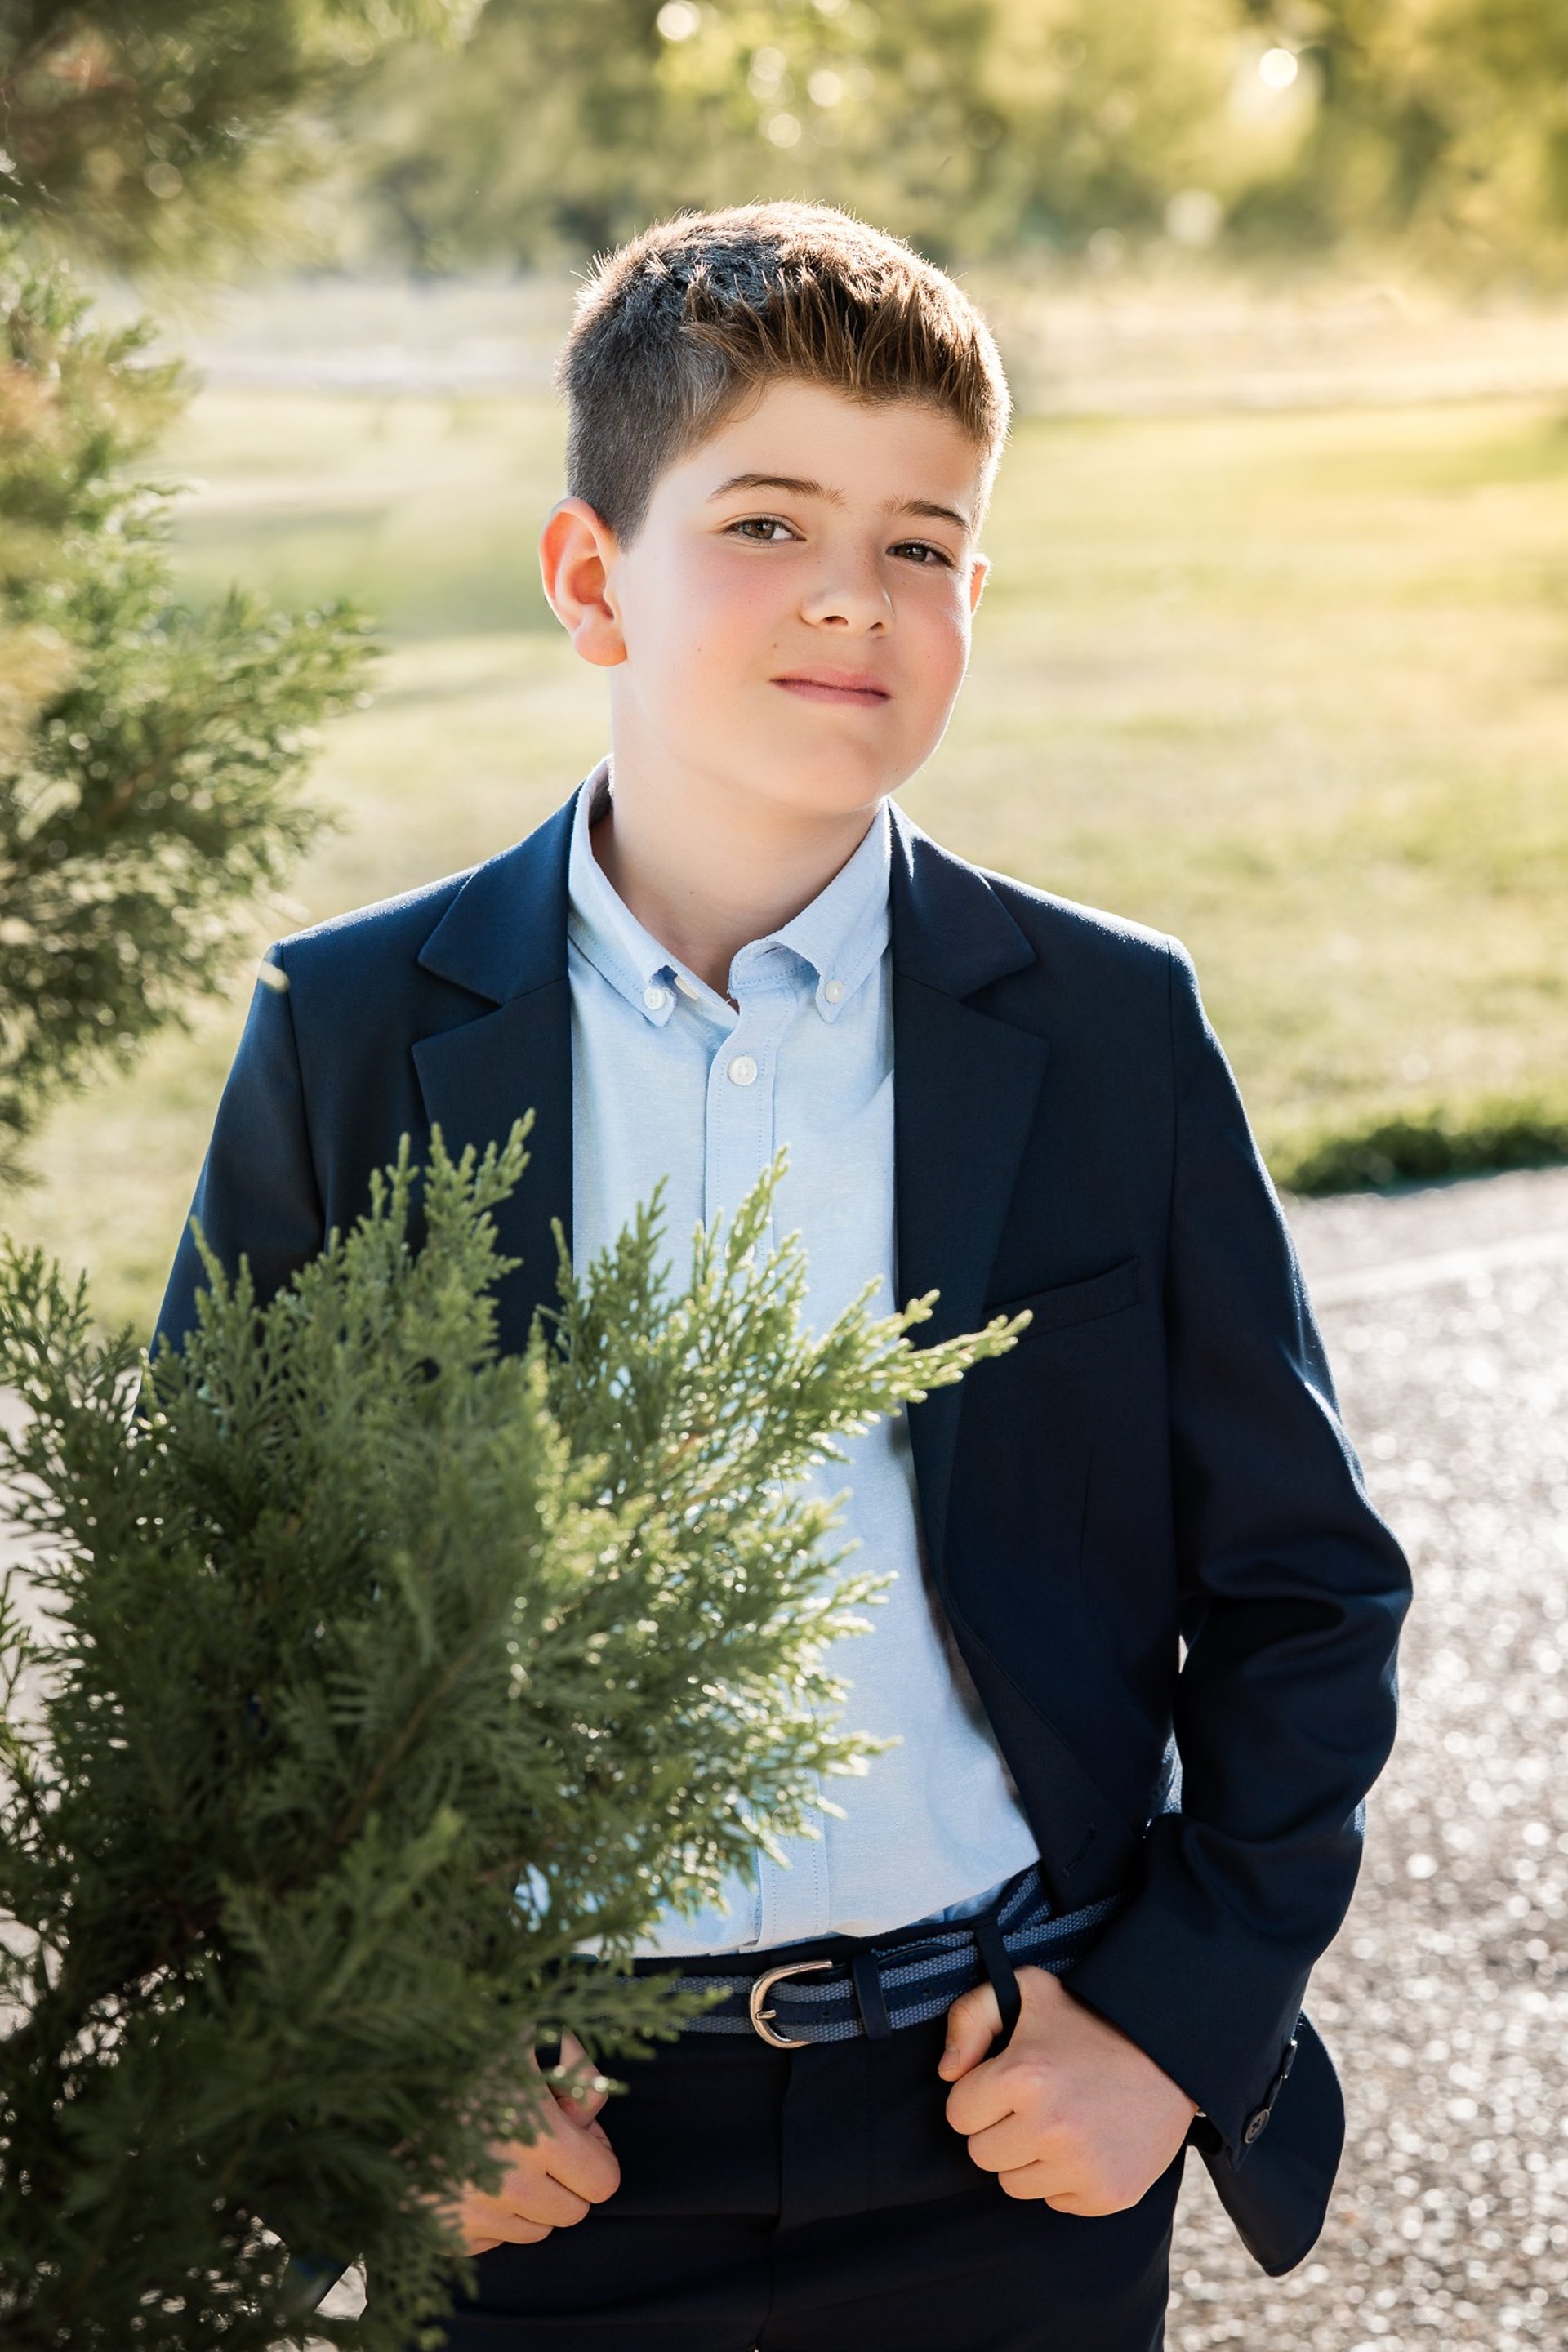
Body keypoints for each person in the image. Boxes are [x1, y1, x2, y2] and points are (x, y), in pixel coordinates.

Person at [156, 204, 1410, 2352]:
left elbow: (1306, 1590)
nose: (855, 593)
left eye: (924, 542)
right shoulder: (350, 1038)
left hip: (1006, 2130)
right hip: (538, 2157)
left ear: (975, 598)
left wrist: (1170, 2023)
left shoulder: (1110, 1033)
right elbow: (219, 1623)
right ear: (590, 581)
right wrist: (377, 2052)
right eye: (766, 522)